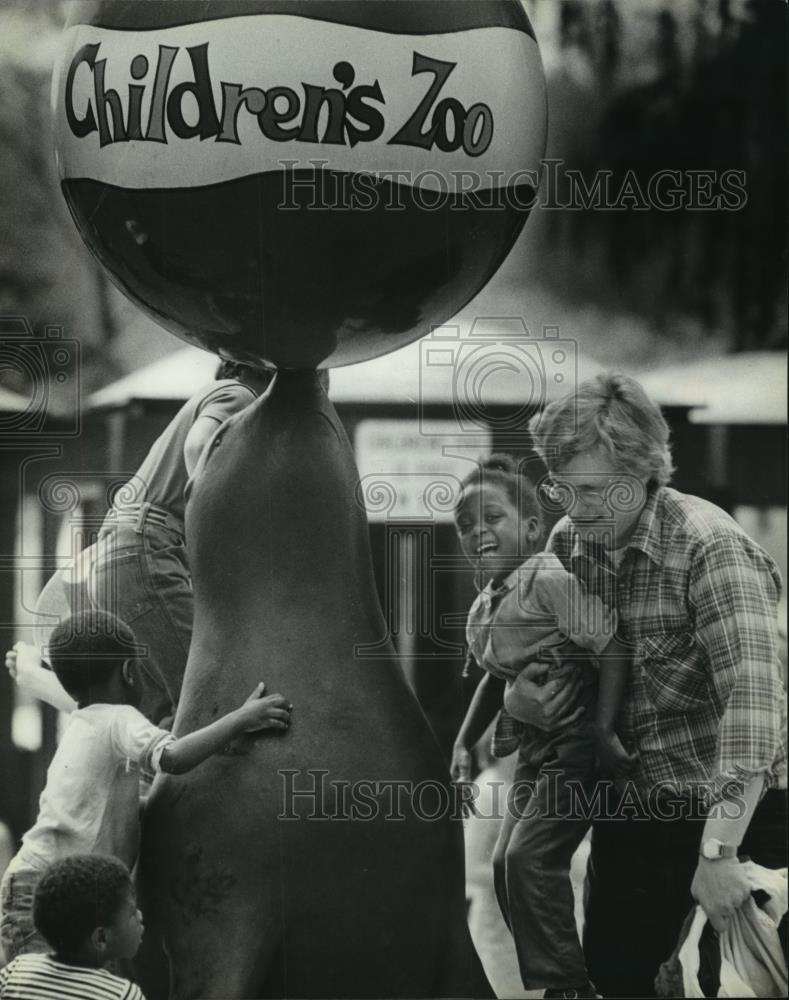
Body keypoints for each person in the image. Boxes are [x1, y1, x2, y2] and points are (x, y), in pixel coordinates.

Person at [516, 372, 787, 998]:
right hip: (640, 799)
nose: (575, 510)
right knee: (616, 972)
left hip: (749, 803)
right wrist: (523, 697)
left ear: (643, 473)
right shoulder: (572, 544)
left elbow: (752, 710)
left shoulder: (709, 547)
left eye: (593, 491)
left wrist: (719, 856)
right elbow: (557, 662)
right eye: (563, 489)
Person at [0, 609, 291, 963]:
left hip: (36, 883)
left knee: (51, 985)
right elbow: (174, 758)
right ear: (128, 672)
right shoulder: (120, 720)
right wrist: (242, 718)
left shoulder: (84, 724)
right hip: (49, 889)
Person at [450, 454, 634, 999]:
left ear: (531, 527)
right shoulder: (483, 607)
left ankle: (569, 988)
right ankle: (558, 983)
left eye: (492, 518)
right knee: (506, 863)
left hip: (575, 744)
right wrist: (463, 742)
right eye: (465, 525)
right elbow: (491, 679)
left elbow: (614, 645)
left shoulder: (545, 578)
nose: (477, 532)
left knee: (530, 859)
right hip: (533, 752)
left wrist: (603, 730)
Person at [35, 360, 274, 727]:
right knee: (215, 700)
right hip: (145, 553)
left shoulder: (206, 399)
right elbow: (199, 447)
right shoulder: (241, 394)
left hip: (120, 557)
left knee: (162, 721)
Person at [0, 854, 145, 999]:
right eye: (132, 912)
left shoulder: (15, 971)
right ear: (101, 938)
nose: (140, 916)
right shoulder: (124, 994)